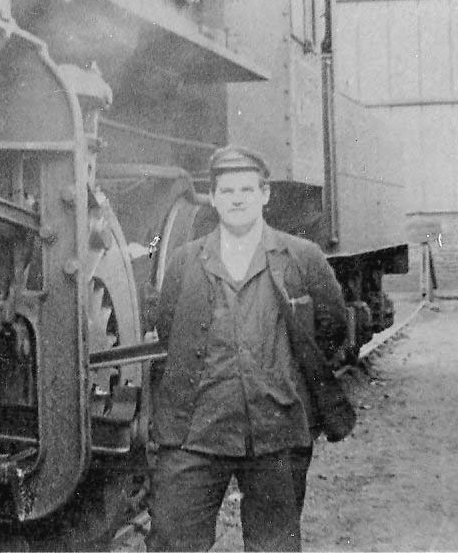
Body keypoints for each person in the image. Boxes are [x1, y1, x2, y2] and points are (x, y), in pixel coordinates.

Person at [146, 145, 349, 551]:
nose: (237, 198)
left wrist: (284, 376)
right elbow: (169, 331)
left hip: (276, 431)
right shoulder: (186, 261)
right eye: (227, 190)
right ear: (214, 197)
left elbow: (332, 327)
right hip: (196, 433)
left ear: (265, 194)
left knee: (274, 546)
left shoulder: (301, 257)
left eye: (246, 190)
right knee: (172, 544)